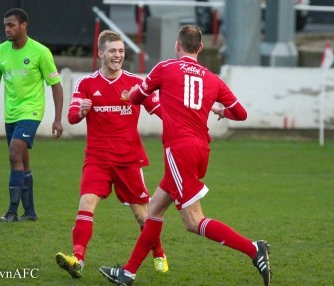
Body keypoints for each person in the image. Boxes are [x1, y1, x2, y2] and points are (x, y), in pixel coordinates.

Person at [99, 25, 272, 286]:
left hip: (179, 150)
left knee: (193, 221)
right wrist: (220, 111)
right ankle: (128, 273)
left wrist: (128, 94)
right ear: (200, 48)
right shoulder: (213, 79)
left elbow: (138, 96)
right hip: (200, 150)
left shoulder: (165, 68)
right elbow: (241, 114)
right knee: (154, 209)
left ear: (177, 45)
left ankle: (253, 249)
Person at [55, 30, 168, 279]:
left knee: (142, 216)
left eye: (121, 51)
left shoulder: (136, 83)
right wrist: (82, 111)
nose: (118, 55)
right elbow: (72, 117)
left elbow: (157, 108)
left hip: (128, 159)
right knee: (86, 204)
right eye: (113, 51)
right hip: (97, 158)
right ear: (100, 53)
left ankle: (158, 252)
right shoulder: (85, 84)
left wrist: (180, 121)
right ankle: (78, 259)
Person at [0, 8, 63, 223]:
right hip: (11, 114)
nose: (7, 29)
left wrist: (58, 119)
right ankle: (30, 213)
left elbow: (56, 85)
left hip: (31, 111)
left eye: (11, 25)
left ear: (24, 25)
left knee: (14, 153)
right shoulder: (0, 51)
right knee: (22, 162)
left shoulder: (40, 52)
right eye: (5, 25)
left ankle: (11, 212)